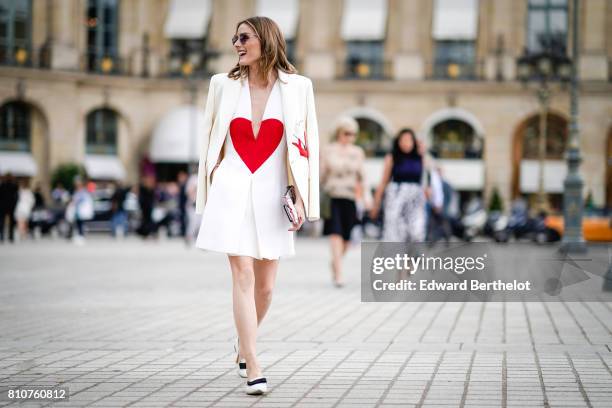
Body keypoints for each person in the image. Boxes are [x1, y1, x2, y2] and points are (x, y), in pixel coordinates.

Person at [194, 16, 319, 395]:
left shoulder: (299, 88)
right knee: (243, 276)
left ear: (265, 40)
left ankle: (242, 344)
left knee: (265, 289)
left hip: (273, 190)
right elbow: (209, 137)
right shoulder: (221, 84)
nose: (237, 44)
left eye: (244, 37)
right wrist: (209, 181)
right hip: (231, 186)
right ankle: (254, 363)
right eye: (234, 38)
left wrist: (302, 194)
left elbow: (307, 145)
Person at [320, 116, 370, 287]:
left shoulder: (358, 152)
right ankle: (339, 273)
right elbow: (322, 174)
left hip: (350, 197)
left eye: (353, 134)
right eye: (346, 133)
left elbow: (363, 177)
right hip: (332, 195)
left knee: (347, 238)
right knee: (335, 234)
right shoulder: (328, 150)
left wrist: (367, 198)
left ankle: (335, 262)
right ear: (339, 133)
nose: (350, 137)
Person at [370, 128, 426, 243]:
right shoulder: (392, 158)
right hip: (396, 197)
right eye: (403, 140)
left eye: (409, 140)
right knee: (396, 233)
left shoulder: (420, 157)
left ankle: (411, 261)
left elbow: (426, 178)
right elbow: (383, 181)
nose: (406, 143)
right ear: (398, 142)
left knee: (416, 233)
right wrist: (376, 204)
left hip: (415, 199)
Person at [0, 173, 19, 243]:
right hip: (10, 206)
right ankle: (10, 237)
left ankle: (3, 237)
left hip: (4, 206)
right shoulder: (12, 185)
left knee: (2, 222)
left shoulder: (3, 185)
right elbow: (17, 194)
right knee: (10, 223)